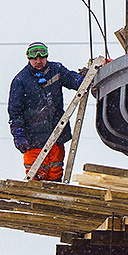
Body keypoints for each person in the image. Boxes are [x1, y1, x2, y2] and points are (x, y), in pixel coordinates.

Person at [8, 42, 84, 181]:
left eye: (41, 58)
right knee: (36, 175)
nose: (38, 61)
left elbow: (71, 79)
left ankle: (55, 198)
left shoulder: (56, 70)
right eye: (35, 59)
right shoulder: (20, 81)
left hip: (56, 134)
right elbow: (15, 112)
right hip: (33, 139)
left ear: (46, 56)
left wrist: (82, 80)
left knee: (55, 171)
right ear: (29, 59)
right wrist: (18, 135)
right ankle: (36, 200)